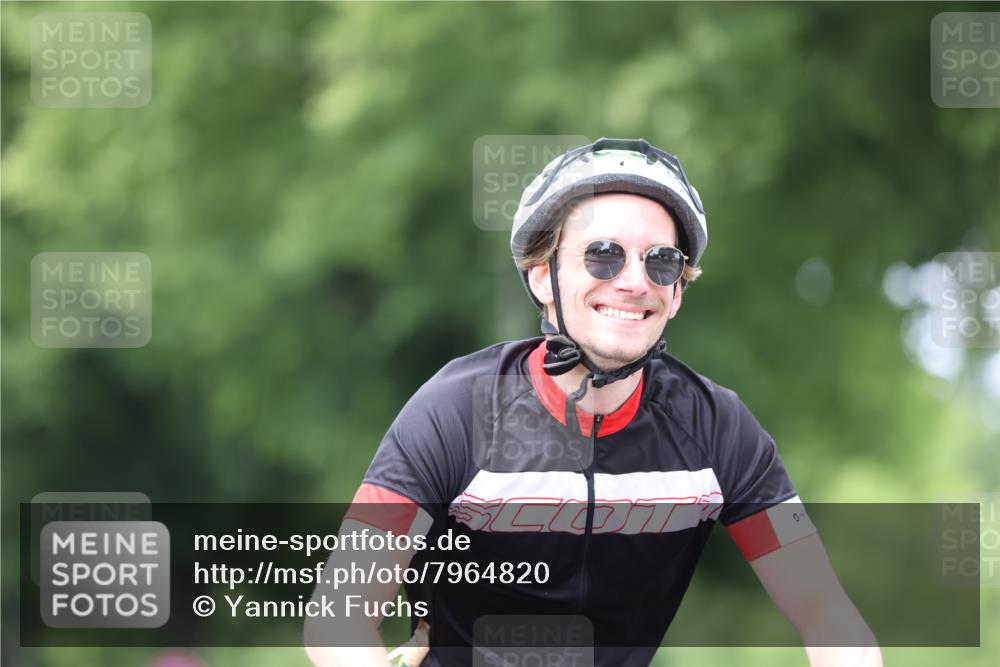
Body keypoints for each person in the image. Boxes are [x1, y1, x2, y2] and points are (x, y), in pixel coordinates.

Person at [305, 138, 882, 667]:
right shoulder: (453, 410)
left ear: (678, 291)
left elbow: (826, 614)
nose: (634, 281)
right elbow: (338, 618)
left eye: (661, 262)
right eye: (603, 255)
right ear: (541, 276)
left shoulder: (719, 429)